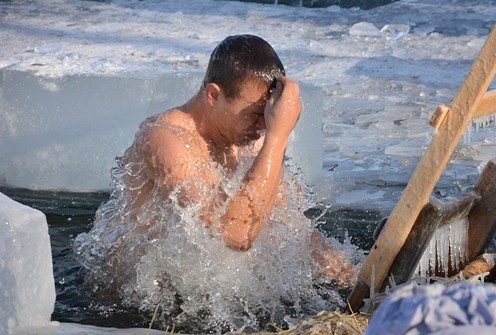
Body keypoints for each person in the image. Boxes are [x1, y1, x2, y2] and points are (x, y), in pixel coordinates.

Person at [75, 34, 357, 297]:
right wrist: (278, 136)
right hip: (128, 303)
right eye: (256, 114)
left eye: (269, 115)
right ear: (213, 95)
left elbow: (291, 228)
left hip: (200, 294)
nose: (262, 125)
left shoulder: (250, 136)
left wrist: (353, 277)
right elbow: (236, 235)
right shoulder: (166, 140)